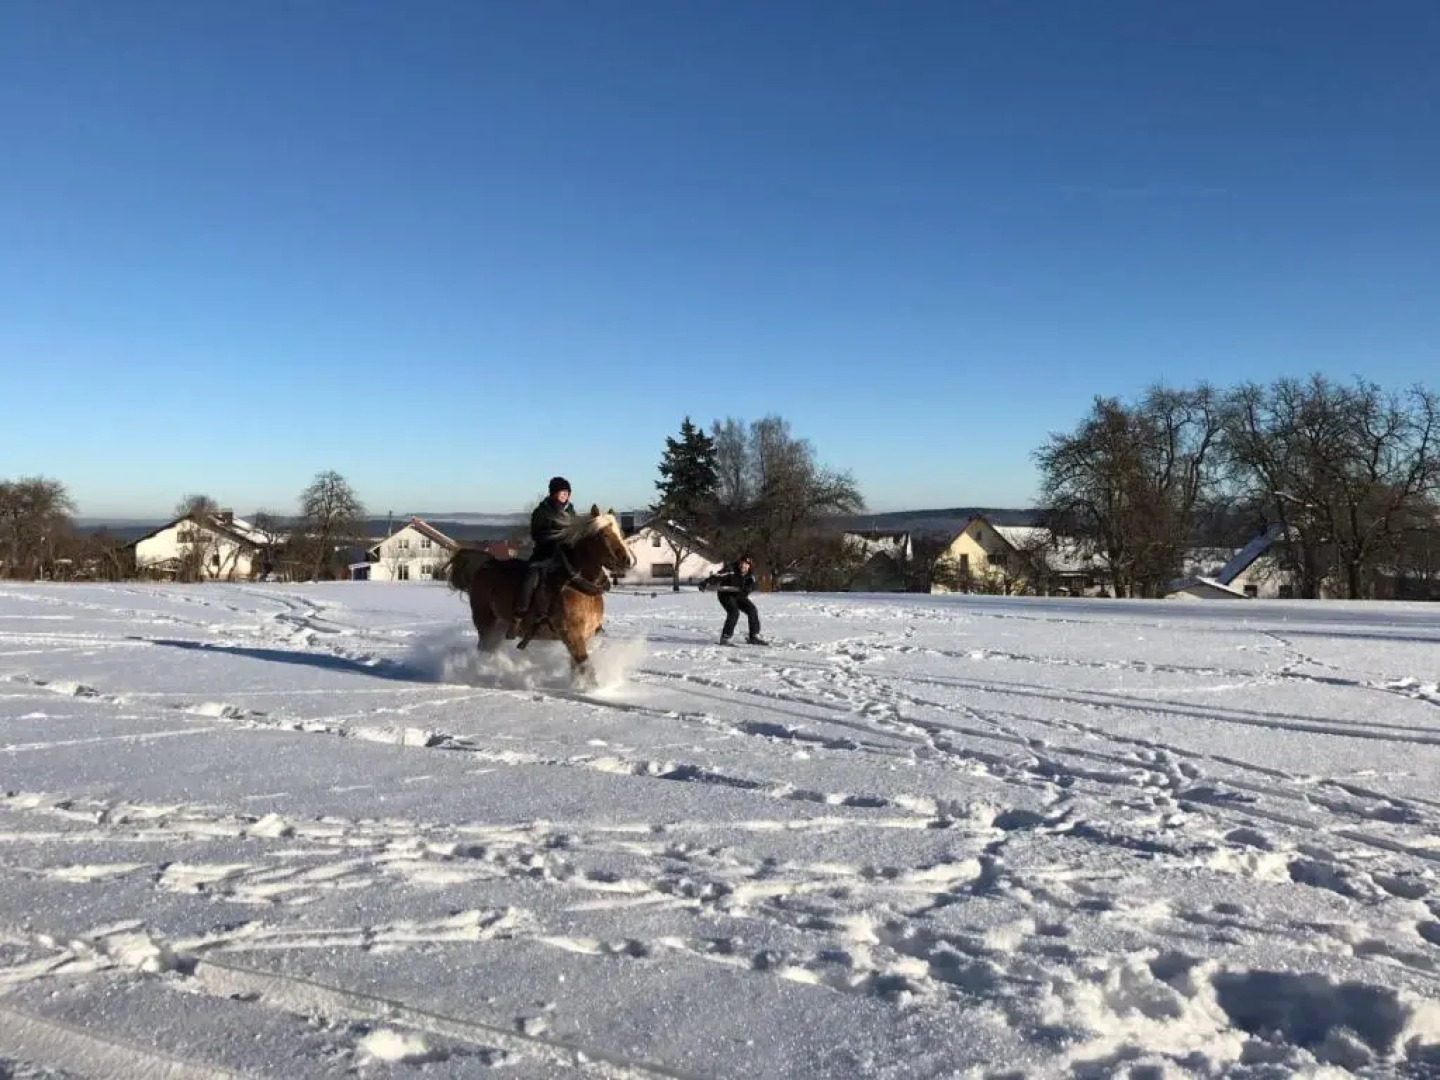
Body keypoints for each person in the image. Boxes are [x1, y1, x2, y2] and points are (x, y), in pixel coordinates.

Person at [514, 476, 575, 628]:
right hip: (545, 553)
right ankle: (520, 613)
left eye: (567, 492)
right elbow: (537, 534)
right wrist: (555, 538)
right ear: (553, 493)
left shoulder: (571, 511)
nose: (565, 495)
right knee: (531, 577)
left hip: (567, 554)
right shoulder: (542, 512)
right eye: (562, 492)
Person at [700, 555, 768, 646]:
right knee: (734, 612)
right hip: (725, 595)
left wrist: (749, 588)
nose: (743, 566)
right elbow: (717, 576)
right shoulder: (730, 570)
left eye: (746, 564)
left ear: (749, 566)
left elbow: (753, 585)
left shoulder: (750, 575)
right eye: (742, 563)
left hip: (739, 595)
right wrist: (706, 582)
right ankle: (725, 638)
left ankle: (754, 637)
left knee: (752, 610)